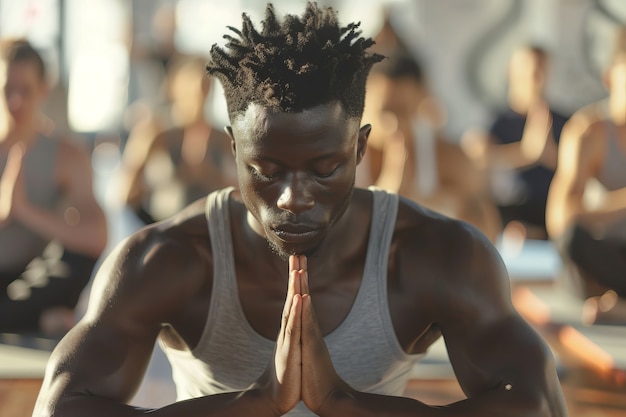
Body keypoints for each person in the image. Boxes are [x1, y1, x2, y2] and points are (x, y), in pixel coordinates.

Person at [33, 4, 567, 416]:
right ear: (234, 150)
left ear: (359, 150)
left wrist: (344, 403)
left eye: (324, 169)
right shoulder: (169, 258)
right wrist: (255, 404)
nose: (293, 198)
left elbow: (541, 405)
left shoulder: (435, 255)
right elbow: (57, 408)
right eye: (266, 171)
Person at [0, 39, 107, 335]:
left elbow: (97, 236)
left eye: (26, 91)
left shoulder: (65, 155)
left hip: (32, 280)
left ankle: (20, 316)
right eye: (7, 90)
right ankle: (33, 320)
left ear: (43, 89)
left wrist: (24, 211)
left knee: (77, 257)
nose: (15, 102)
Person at [358, 50, 501, 242]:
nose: (393, 123)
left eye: (402, 112)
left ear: (420, 102)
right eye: (385, 110)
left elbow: (486, 234)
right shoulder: (341, 157)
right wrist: (393, 184)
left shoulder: (447, 158)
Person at [546, 45, 626, 325]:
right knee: (572, 239)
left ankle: (621, 307)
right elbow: (560, 219)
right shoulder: (589, 132)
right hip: (603, 256)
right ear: (609, 78)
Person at [462, 45, 569, 240]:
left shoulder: (563, 122)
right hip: (509, 210)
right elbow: (475, 156)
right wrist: (526, 154)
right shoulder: (493, 121)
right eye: (531, 71)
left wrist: (551, 155)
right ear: (512, 72)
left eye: (541, 71)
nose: (537, 79)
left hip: (551, 209)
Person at [119, 54, 237, 224]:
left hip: (212, 235)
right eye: (193, 86)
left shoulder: (224, 138)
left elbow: (244, 193)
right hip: (166, 232)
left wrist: (212, 177)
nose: (200, 93)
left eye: (205, 85)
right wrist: (153, 231)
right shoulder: (155, 132)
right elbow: (126, 194)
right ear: (175, 87)